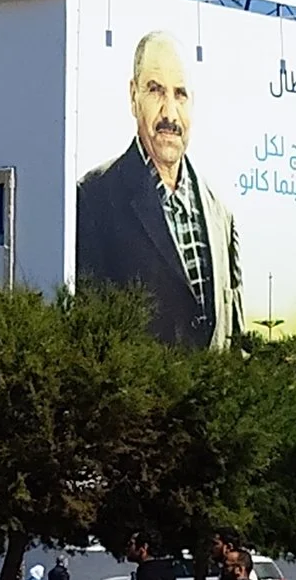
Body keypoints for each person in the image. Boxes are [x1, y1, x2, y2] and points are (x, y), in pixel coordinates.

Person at [75, 30, 243, 350]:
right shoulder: (94, 198)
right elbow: (91, 330)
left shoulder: (221, 215)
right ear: (133, 96)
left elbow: (235, 339)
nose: (169, 114)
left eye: (180, 94)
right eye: (155, 90)